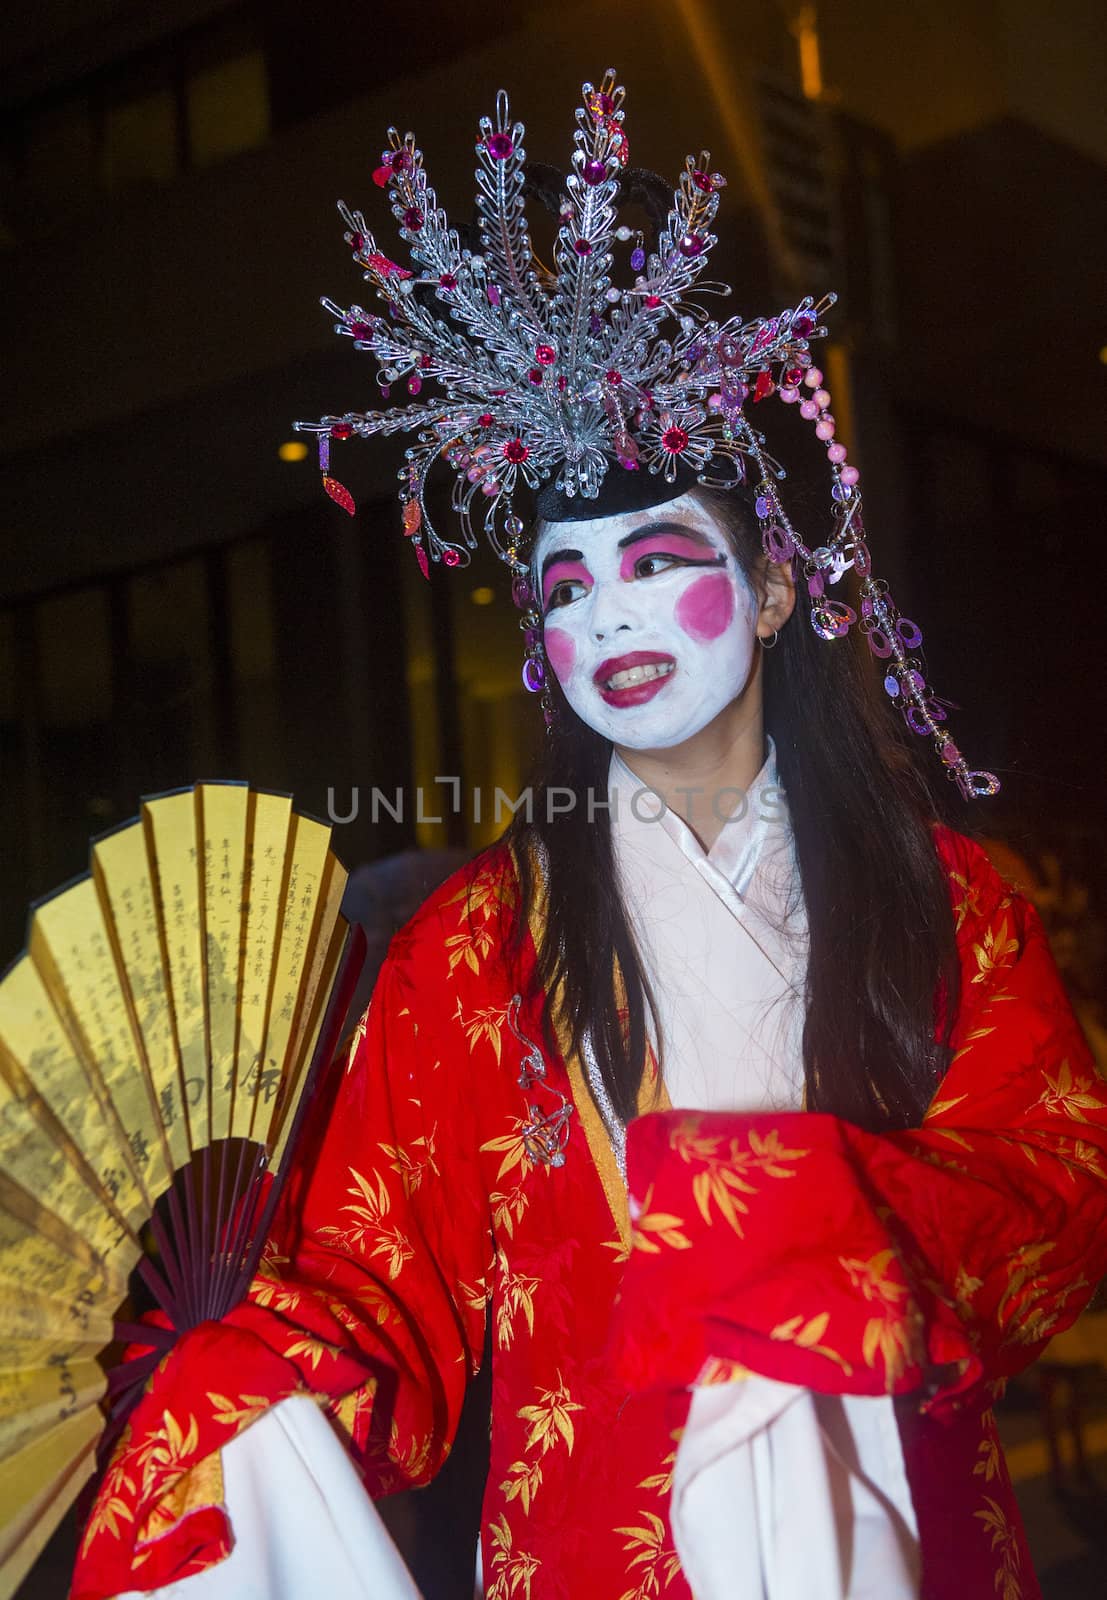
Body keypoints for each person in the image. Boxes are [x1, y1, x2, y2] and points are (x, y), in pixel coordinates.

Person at [73, 72, 1107, 1600]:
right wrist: (243, 1378)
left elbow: (1057, 1197)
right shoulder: (474, 947)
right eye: (563, 585)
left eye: (656, 558)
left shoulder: (948, 904)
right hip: (586, 1553)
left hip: (909, 1534)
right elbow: (375, 1285)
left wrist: (828, 1217)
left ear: (768, 593)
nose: (607, 611)